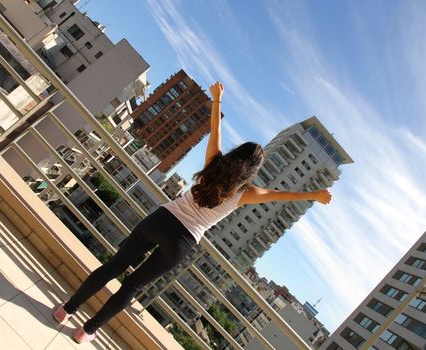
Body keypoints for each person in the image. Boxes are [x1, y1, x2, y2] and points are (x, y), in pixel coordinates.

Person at [52, 81, 332, 343]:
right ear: (253, 170)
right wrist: (314, 195)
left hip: (162, 220)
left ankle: (67, 309)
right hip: (183, 242)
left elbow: (216, 130)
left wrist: (218, 99)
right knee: (131, 288)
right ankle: (86, 332)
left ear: (237, 155)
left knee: (114, 267)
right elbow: (282, 195)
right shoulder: (246, 194)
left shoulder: (214, 162)